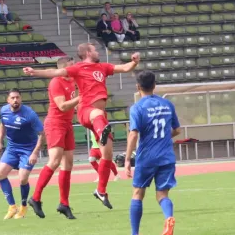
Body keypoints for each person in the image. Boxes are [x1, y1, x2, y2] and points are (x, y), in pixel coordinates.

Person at [23, 43, 140, 209]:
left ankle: (101, 190)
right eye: (95, 49)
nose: (98, 51)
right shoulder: (78, 68)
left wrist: (134, 62)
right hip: (87, 110)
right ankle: (38, 197)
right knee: (96, 118)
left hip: (98, 116)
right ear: (87, 52)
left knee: (107, 153)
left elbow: (124, 68)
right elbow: (55, 72)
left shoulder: (102, 67)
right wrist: (34, 72)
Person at [125, 70, 180, 235]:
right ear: (155, 85)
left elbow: (133, 134)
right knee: (162, 194)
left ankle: (135, 233)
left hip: (147, 157)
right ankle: (168, 218)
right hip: (166, 156)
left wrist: (128, 159)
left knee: (137, 193)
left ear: (138, 87)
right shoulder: (167, 104)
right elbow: (177, 130)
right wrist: (163, 137)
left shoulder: (138, 108)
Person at [28, 57, 80, 220]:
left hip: (67, 124)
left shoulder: (71, 81)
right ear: (64, 68)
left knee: (68, 163)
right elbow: (62, 106)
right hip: (56, 123)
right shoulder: (56, 82)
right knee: (55, 161)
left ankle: (64, 203)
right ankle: (35, 198)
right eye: (70, 67)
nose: (73, 70)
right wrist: (82, 97)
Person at [0, 89, 44, 220]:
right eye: (12, 98)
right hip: (12, 148)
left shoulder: (29, 114)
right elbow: (2, 125)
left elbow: (42, 134)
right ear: (8, 100)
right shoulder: (4, 111)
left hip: (28, 149)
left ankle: (23, 207)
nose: (15, 100)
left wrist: (35, 153)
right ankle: (12, 207)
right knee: (0, 174)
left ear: (21, 99)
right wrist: (0, 142)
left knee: (22, 178)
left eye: (17, 97)